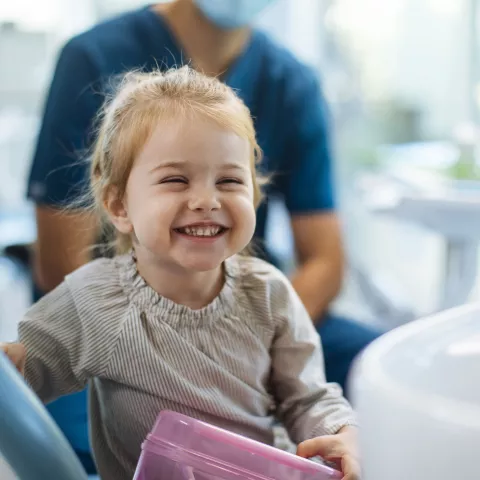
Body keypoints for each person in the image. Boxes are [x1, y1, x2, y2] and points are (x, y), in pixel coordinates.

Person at [26, 0, 380, 471]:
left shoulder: (270, 295)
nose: (207, 200)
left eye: (230, 182)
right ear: (117, 205)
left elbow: (309, 397)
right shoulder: (95, 301)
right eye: (176, 180)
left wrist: (340, 433)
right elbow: (23, 368)